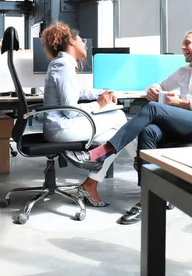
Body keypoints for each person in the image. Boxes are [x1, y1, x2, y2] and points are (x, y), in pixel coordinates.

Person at [65, 30, 192, 224]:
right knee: (148, 131)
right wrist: (152, 90)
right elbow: (158, 85)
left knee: (153, 109)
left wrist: (182, 103)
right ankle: (148, 198)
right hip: (182, 126)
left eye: (187, 44)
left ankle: (101, 152)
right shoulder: (183, 72)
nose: (183, 47)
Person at [42, 21, 134, 207]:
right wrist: (98, 105)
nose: (85, 44)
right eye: (81, 40)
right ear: (71, 42)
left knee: (115, 138)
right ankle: (141, 164)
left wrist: (101, 93)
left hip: (61, 126)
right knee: (119, 118)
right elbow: (70, 110)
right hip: (62, 128)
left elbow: (79, 92)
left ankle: (91, 183)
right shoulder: (63, 65)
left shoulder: (63, 63)